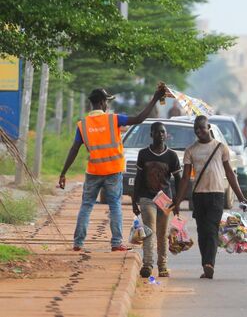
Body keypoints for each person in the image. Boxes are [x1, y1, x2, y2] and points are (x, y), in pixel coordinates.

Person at [58, 84, 167, 252]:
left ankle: (78, 243)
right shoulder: (113, 119)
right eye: (106, 102)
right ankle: (116, 243)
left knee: (86, 205)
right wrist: (154, 98)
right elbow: (138, 119)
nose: (107, 105)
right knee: (115, 205)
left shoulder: (83, 125)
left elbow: (74, 149)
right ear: (102, 103)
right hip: (113, 171)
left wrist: (63, 172)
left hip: (93, 171)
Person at [172, 115, 247, 279]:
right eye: (196, 129)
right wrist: (177, 201)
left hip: (216, 195)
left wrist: (241, 196)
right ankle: (205, 263)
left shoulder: (221, 147)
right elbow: (185, 178)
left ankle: (209, 264)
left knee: (211, 229)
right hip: (198, 196)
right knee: (201, 231)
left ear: (209, 128)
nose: (199, 131)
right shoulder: (190, 150)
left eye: (202, 127)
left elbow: (229, 173)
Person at [132, 122, 182, 278]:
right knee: (149, 231)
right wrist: (135, 200)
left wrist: (177, 201)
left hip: (165, 200)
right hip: (147, 198)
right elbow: (139, 177)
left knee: (162, 234)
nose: (160, 135)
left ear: (166, 135)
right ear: (151, 134)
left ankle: (162, 265)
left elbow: (178, 179)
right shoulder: (143, 154)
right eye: (157, 132)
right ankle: (147, 264)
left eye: (163, 132)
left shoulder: (171, 156)